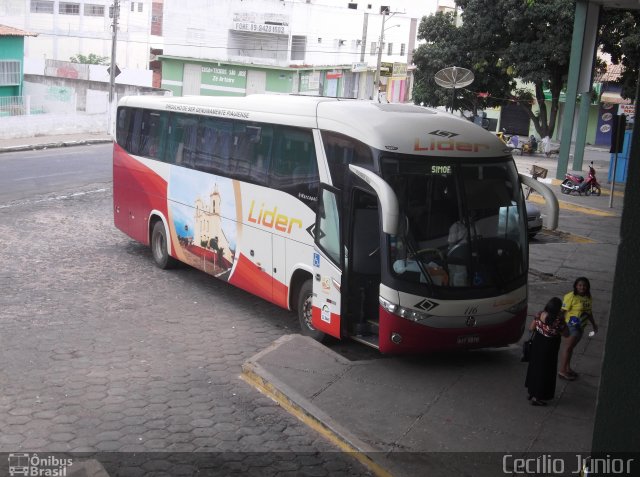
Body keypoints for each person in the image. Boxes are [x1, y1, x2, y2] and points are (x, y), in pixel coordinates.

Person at [525, 297, 568, 406]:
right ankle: (537, 397)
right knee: (545, 371)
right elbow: (566, 334)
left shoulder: (540, 314)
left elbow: (531, 327)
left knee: (535, 367)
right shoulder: (558, 321)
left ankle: (532, 392)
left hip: (538, 342)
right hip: (550, 346)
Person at [559, 277, 598, 380]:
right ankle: (562, 371)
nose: (582, 287)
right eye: (580, 285)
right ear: (576, 286)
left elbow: (589, 312)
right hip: (571, 327)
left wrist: (594, 324)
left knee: (571, 349)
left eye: (584, 285)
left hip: (581, 327)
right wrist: (562, 326)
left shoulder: (588, 297)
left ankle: (567, 368)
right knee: (567, 348)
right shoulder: (570, 296)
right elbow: (561, 312)